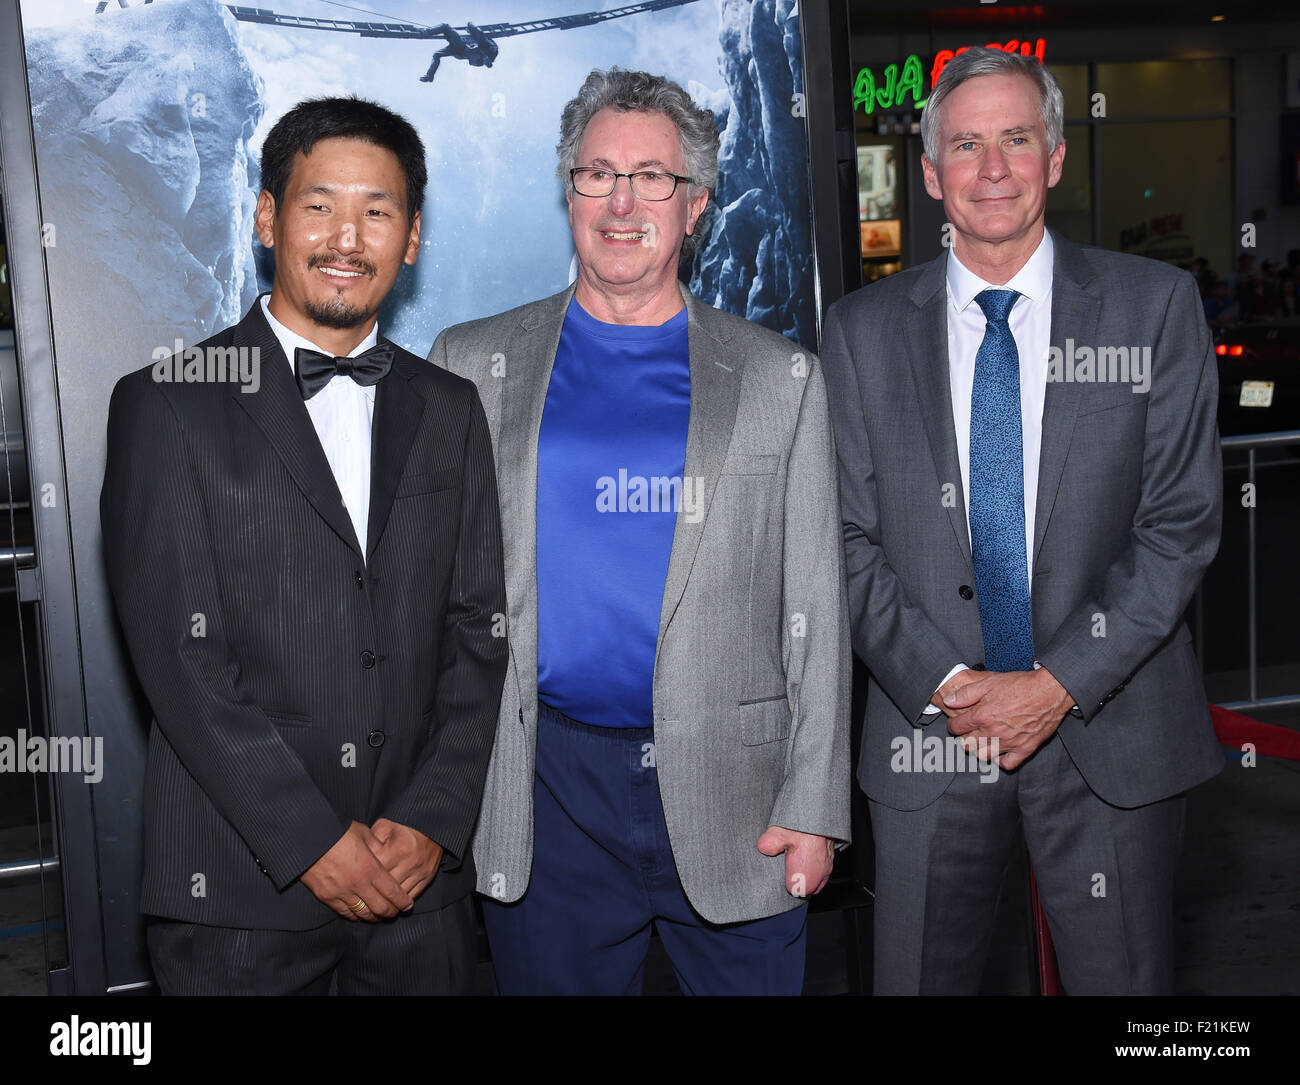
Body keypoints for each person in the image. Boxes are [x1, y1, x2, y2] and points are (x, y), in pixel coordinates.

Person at [430, 68, 849, 995]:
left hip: (737, 792)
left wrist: (816, 805)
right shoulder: (471, 365)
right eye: (596, 174)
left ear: (695, 204)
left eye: (652, 177)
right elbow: (440, 602)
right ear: (568, 191)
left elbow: (817, 608)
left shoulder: (779, 377)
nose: (622, 202)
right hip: (546, 796)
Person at [819, 47, 1223, 995]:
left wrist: (1055, 683)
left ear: (1055, 157)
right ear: (929, 173)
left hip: (1110, 732)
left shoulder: (1151, 307)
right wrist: (954, 683)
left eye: (1015, 139)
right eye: (966, 144)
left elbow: (1179, 525)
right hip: (932, 739)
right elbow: (842, 538)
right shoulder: (859, 332)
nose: (992, 167)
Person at [100, 96, 507, 994]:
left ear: (410, 240)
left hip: (418, 897)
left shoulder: (451, 410)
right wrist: (312, 842)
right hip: (238, 898)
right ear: (266, 217)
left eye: (378, 211)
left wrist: (434, 819)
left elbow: (480, 630)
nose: (346, 238)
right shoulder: (165, 402)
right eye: (319, 205)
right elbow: (179, 661)